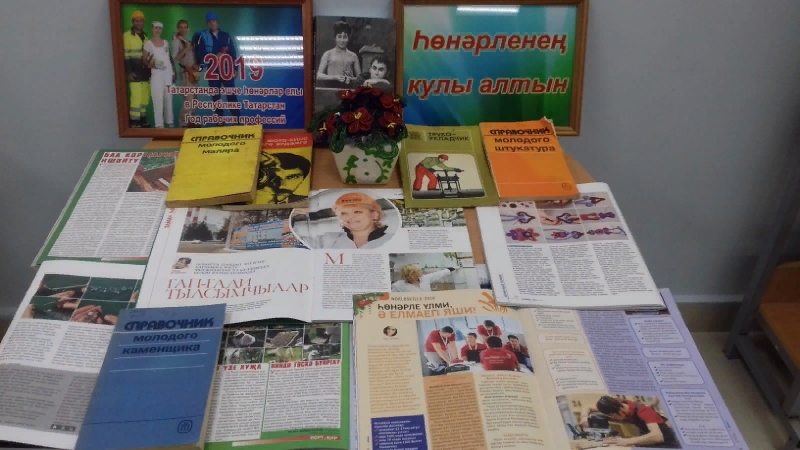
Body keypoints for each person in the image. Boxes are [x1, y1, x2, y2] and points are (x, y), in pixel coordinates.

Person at [193, 12, 240, 122]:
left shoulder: (226, 36)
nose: (212, 23)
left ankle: (237, 120)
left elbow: (233, 53)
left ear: (217, 22)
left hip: (227, 71)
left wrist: (235, 69)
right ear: (207, 23)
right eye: (210, 22)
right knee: (216, 97)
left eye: (214, 21)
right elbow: (201, 54)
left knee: (231, 95)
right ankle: (220, 120)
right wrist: (215, 56)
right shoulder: (204, 37)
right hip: (213, 72)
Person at [580, 396, 680, 448]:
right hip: (647, 439)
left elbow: (657, 436)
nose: (612, 418)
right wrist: (584, 417)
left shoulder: (644, 411)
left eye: (613, 416)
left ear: (621, 412)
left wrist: (626, 441)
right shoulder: (615, 403)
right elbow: (587, 407)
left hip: (667, 443)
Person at [316, 192, 394, 249]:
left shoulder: (392, 239)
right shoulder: (327, 239)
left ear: (375, 215)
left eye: (357, 212)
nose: (350, 217)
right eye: (344, 213)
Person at [143, 21, 175, 128]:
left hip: (168, 74)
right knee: (158, 98)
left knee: (168, 97)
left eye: (159, 28)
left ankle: (169, 121)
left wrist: (173, 72)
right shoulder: (148, 43)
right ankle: (159, 124)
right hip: (156, 74)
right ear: (152, 29)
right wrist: (150, 64)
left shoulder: (166, 43)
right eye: (156, 28)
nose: (157, 30)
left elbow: (169, 58)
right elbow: (144, 59)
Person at [123, 10, 151, 128]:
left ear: (143, 22)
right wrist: (129, 71)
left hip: (145, 71)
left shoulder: (145, 36)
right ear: (133, 22)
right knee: (136, 97)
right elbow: (125, 56)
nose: (139, 23)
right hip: (134, 70)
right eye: (137, 21)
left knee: (144, 97)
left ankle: (142, 121)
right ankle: (134, 122)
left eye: (141, 21)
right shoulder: (127, 36)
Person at [172, 19, 199, 127]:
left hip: (193, 72)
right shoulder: (176, 41)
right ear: (178, 28)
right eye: (181, 27)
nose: (183, 29)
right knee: (188, 97)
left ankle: (191, 120)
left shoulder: (188, 41)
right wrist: (186, 49)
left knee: (194, 97)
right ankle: (183, 122)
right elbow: (175, 57)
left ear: (188, 29)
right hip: (185, 72)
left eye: (185, 27)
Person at [316, 20, 360, 85]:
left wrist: (351, 79)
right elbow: (319, 75)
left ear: (348, 38)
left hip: (349, 88)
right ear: (335, 38)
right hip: (331, 88)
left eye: (345, 37)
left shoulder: (353, 56)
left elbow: (360, 78)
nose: (342, 40)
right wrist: (335, 77)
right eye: (339, 37)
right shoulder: (328, 54)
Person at [391, 264, 457, 292]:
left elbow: (438, 274)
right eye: (419, 270)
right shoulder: (398, 285)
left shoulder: (424, 278)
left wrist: (453, 268)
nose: (421, 271)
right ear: (412, 275)